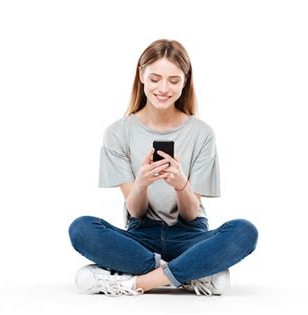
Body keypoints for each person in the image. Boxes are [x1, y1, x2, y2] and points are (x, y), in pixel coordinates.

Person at [68, 39, 258, 297]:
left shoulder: (201, 133)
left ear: (185, 81)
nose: (163, 88)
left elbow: (191, 215)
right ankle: (192, 273)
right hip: (141, 236)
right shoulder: (117, 133)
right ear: (141, 75)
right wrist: (142, 184)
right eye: (155, 78)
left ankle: (138, 281)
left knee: (244, 231)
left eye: (174, 80)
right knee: (81, 228)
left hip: (189, 236)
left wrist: (180, 184)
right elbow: (135, 211)